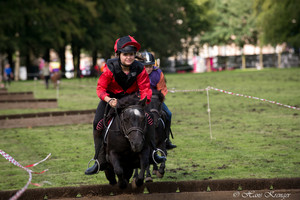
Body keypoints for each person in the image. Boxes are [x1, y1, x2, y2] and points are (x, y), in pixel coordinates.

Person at [85, 35, 166, 175]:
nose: (129, 57)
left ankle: (153, 153)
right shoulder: (109, 68)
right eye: (125, 54)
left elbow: (145, 88)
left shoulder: (140, 68)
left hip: (133, 99)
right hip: (111, 100)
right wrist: (109, 100)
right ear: (118, 55)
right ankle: (98, 159)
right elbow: (100, 89)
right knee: (97, 123)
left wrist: (143, 101)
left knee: (151, 119)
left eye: (132, 54)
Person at [140, 51, 176, 150]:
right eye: (145, 66)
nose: (148, 69)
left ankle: (166, 140)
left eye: (150, 66)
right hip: (141, 99)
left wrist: (159, 99)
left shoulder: (158, 73)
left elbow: (162, 89)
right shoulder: (136, 73)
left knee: (168, 114)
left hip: (155, 100)